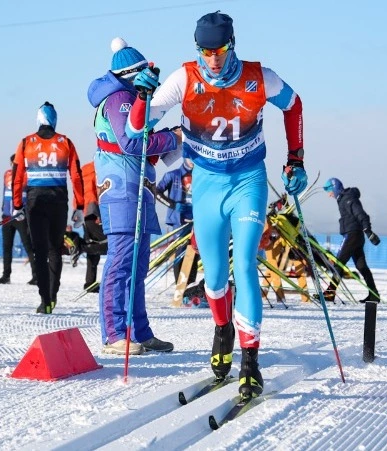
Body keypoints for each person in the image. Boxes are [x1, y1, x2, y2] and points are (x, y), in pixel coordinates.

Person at [127, 12, 306, 398]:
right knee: (213, 277)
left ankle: (250, 361)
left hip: (248, 181)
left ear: (232, 44)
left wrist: (296, 159)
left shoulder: (261, 77)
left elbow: (293, 105)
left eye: (220, 50)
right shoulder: (183, 78)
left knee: (244, 264)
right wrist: (142, 97)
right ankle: (222, 328)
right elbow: (136, 128)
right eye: (205, 51)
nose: (213, 59)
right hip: (207, 184)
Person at [87, 37, 181, 355]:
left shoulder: (127, 97)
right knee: (121, 264)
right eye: (146, 73)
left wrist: (166, 138)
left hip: (136, 188)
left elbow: (137, 138)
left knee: (138, 267)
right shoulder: (120, 98)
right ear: (133, 73)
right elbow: (130, 144)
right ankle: (114, 332)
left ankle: (139, 330)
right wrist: (171, 138)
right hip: (122, 191)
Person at [12, 102, 85, 314]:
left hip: (35, 200)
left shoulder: (26, 142)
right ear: (54, 119)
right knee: (55, 249)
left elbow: (17, 176)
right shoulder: (66, 142)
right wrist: (78, 206)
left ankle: (45, 300)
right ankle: (53, 295)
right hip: (59, 200)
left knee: (40, 250)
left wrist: (17, 204)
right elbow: (77, 176)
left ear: (38, 119)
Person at [322, 178, 381, 304]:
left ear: (335, 187)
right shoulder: (344, 199)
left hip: (352, 235)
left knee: (339, 263)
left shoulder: (348, 199)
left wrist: (368, 230)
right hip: (356, 235)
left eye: (329, 190)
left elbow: (361, 214)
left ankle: (329, 293)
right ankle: (374, 294)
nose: (329, 194)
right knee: (361, 266)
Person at [0, 154, 36, 285]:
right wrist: (2, 208)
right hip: (7, 216)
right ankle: (6, 275)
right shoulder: (7, 174)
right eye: (13, 163)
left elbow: (31, 195)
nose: (14, 165)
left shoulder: (28, 175)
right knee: (7, 246)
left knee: (28, 245)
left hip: (20, 216)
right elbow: (4, 191)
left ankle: (36, 275)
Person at [157, 158, 198, 283]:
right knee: (180, 250)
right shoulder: (173, 175)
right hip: (179, 220)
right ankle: (180, 285)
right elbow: (156, 192)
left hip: (197, 219)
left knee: (194, 252)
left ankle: (190, 286)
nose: (192, 160)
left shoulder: (201, 176)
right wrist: (173, 205)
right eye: (189, 157)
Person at [80, 162, 107, 293]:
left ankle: (90, 282)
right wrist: (98, 213)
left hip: (85, 212)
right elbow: (96, 193)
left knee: (92, 248)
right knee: (111, 245)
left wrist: (78, 210)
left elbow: (78, 193)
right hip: (94, 211)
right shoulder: (98, 171)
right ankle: (80, 247)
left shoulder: (84, 171)